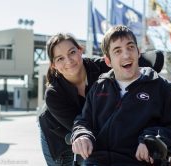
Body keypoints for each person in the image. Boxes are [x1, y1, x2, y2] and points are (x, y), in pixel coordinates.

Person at [38, 32, 164, 165]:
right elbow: (81, 126)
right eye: (60, 59)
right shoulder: (53, 94)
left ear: (81, 50)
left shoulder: (102, 67)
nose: (68, 61)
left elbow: (146, 60)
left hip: (94, 133)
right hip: (61, 135)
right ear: (53, 65)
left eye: (72, 52)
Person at [71, 25, 171, 165]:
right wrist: (81, 135)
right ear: (108, 61)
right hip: (97, 160)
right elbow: (83, 121)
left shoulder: (162, 88)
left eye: (130, 47)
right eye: (117, 51)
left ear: (138, 51)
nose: (126, 55)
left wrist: (151, 139)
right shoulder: (99, 87)